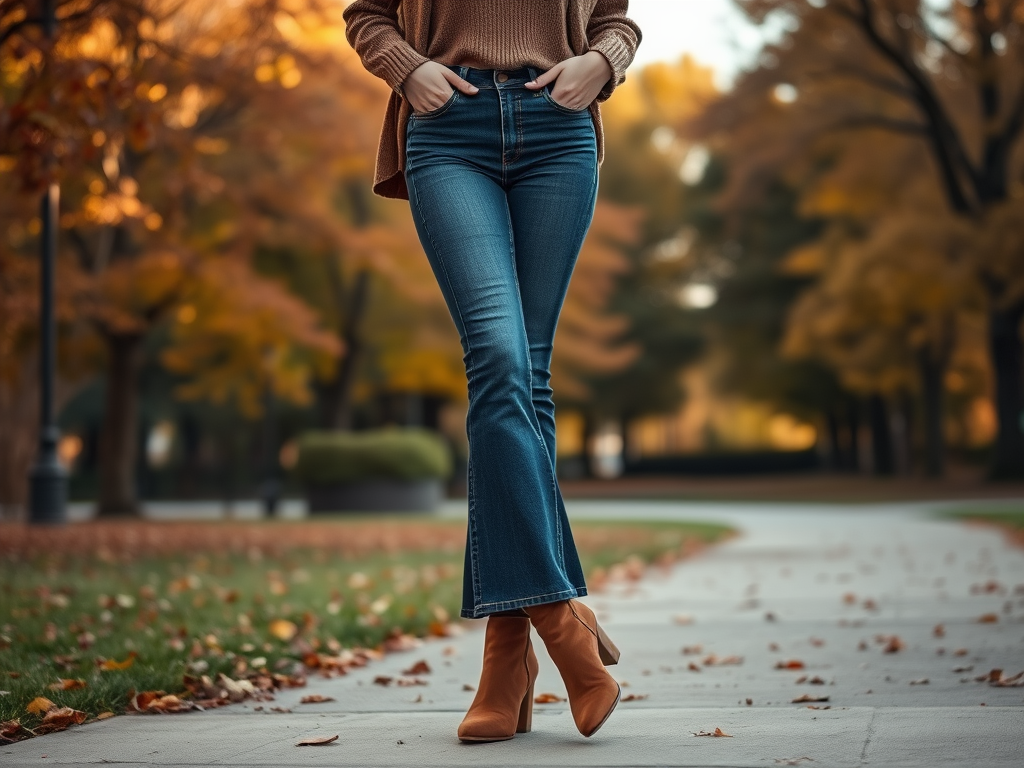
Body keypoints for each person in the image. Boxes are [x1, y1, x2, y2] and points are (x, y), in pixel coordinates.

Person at [342, 0, 641, 742]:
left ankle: (507, 664)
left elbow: (618, 21)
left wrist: (601, 65)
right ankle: (563, 624)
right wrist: (408, 71)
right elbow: (366, 15)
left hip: (558, 128)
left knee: (525, 382)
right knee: (500, 361)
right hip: (450, 129)